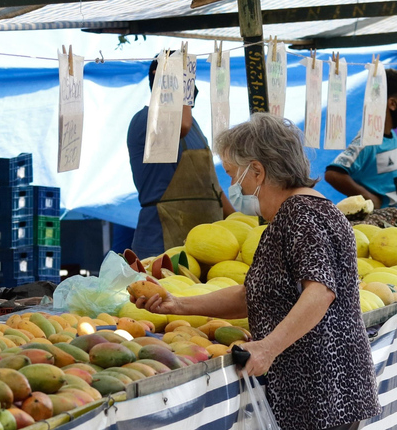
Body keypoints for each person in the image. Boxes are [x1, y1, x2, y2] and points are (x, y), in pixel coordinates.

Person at [133, 113, 380, 430]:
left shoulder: (300, 214)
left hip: (320, 392)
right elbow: (254, 296)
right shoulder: (305, 212)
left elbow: (320, 291)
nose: (232, 186)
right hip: (320, 392)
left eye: (233, 175)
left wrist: (268, 347)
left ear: (258, 171)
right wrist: (178, 304)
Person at [127, 54, 233, 259]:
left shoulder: (195, 127)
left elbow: (212, 186)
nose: (189, 89)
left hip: (204, 242)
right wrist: (174, 84)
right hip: (161, 240)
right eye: (184, 81)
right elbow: (181, 126)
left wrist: (238, 219)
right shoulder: (145, 120)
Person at [325, 69, 397, 208]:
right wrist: (369, 198)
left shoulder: (393, 136)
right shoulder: (367, 141)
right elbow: (333, 174)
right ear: (392, 104)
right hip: (379, 225)